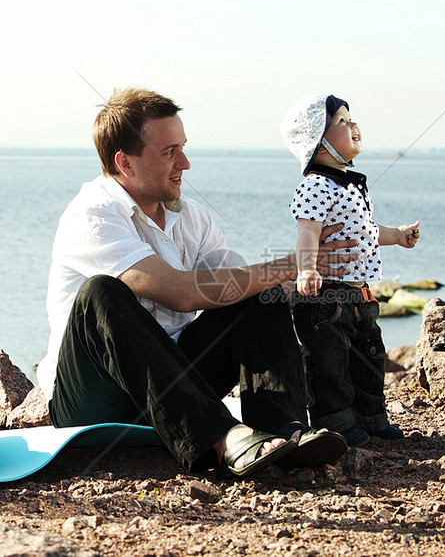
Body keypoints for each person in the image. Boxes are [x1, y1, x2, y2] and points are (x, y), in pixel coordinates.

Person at [37, 88, 354, 477]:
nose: (184, 163)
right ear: (125, 163)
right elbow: (181, 292)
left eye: (183, 148)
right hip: (95, 396)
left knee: (256, 291)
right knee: (100, 293)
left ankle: (283, 428)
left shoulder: (192, 216)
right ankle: (225, 439)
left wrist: (314, 271)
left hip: (172, 385)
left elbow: (234, 288)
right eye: (169, 152)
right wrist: (292, 262)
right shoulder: (92, 215)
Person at [281, 94, 420, 447]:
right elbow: (308, 232)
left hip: (360, 293)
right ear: (319, 141)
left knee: (369, 357)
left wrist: (399, 235)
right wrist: (307, 270)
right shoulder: (316, 184)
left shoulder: (352, 185)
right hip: (325, 296)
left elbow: (369, 232)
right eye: (342, 122)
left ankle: (371, 418)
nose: (353, 126)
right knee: (331, 364)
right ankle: (338, 424)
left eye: (350, 119)